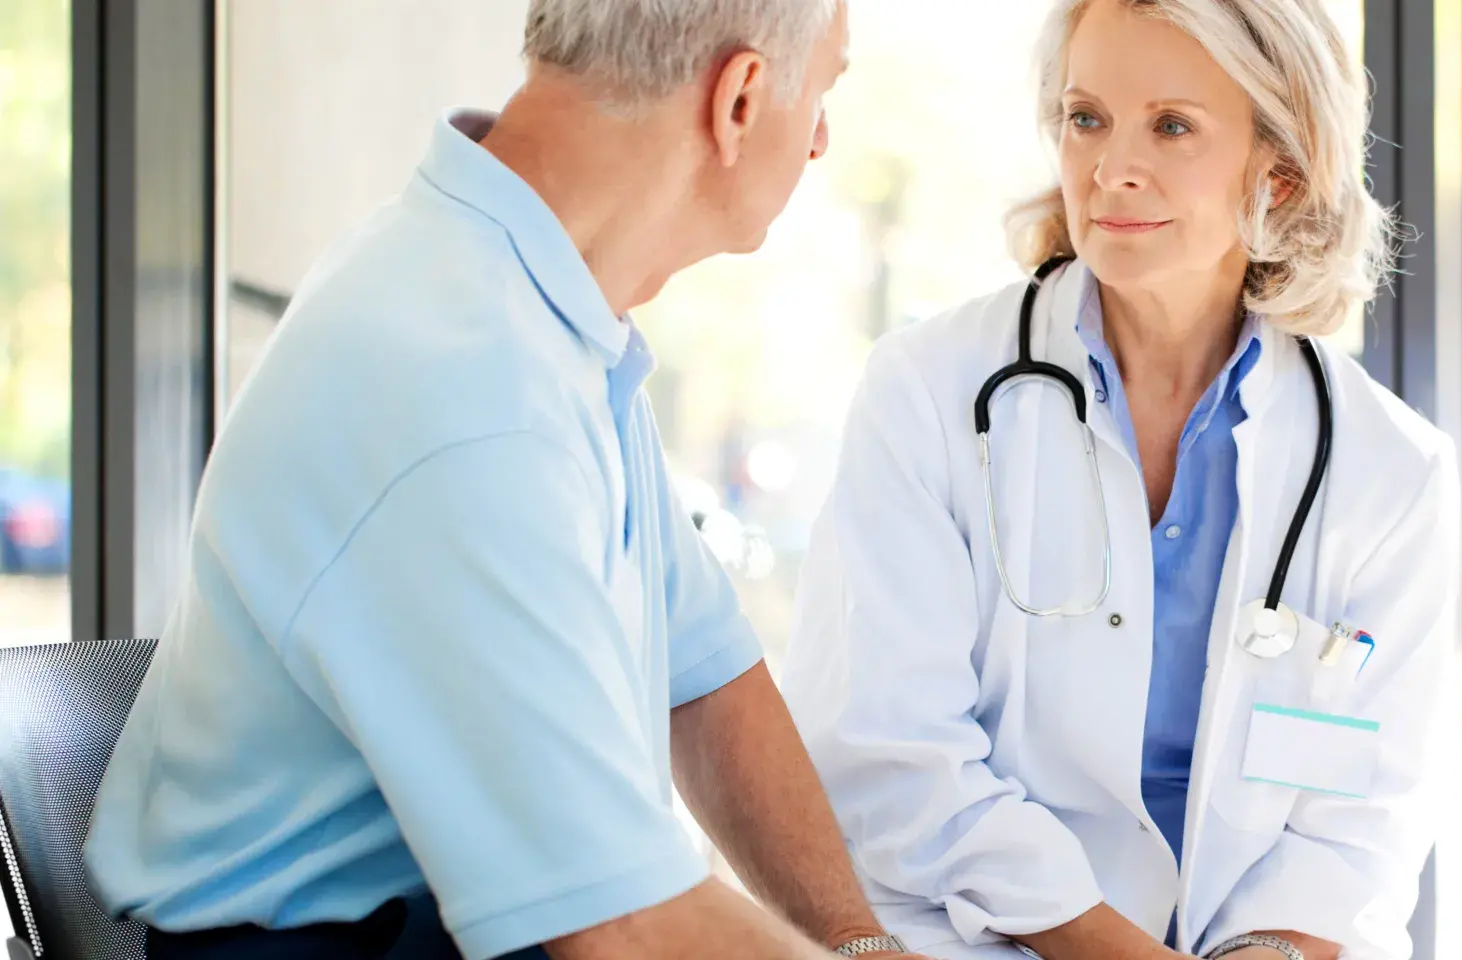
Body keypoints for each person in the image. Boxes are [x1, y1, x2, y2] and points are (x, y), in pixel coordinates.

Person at [83, 2, 927, 959]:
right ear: (738, 100)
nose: (820, 140)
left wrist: (863, 945)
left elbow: (706, 681)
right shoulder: (465, 387)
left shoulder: (530, 312)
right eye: (823, 92)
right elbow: (621, 928)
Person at [779, 1, 1461, 958]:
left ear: (1283, 169)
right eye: (1086, 117)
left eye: (1172, 126)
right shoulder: (929, 391)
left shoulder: (1389, 473)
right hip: (968, 937)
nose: (1109, 168)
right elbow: (895, 754)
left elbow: (1358, 828)